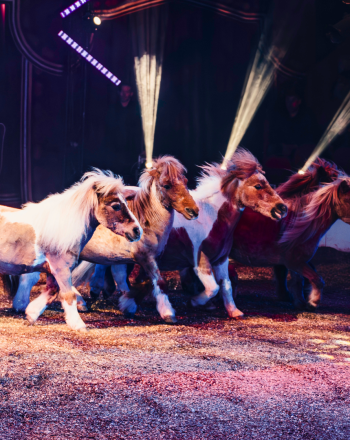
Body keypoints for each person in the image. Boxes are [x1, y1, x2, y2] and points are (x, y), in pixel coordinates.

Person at [102, 84, 144, 184]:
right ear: (119, 93)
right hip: (115, 150)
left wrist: (142, 148)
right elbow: (108, 130)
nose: (125, 94)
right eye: (123, 91)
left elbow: (140, 130)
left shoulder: (136, 109)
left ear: (131, 93)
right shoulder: (113, 109)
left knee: (131, 175)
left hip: (131, 149)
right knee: (115, 176)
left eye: (127, 91)